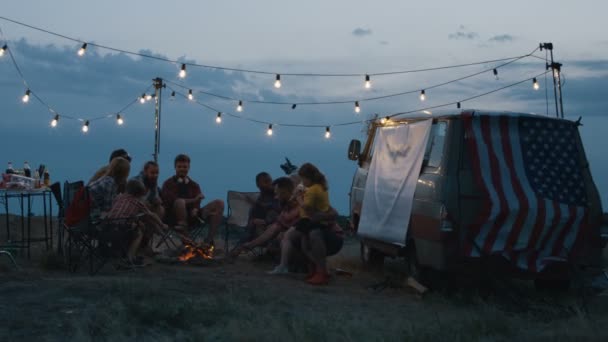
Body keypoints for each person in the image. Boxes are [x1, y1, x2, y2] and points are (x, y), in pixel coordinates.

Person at [269, 163, 338, 285]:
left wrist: (298, 198)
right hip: (311, 221)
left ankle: (320, 271)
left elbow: (308, 210)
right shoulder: (317, 188)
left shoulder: (313, 190)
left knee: (291, 237)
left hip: (310, 222)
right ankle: (318, 270)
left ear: (308, 178)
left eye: (302, 179)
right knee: (304, 244)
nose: (301, 182)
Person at [161, 154, 224, 245]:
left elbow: (198, 201)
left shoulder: (194, 185)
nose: (182, 169)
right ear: (175, 167)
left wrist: (195, 208)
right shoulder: (168, 184)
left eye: (185, 167)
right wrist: (194, 200)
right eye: (180, 167)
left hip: (193, 217)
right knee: (180, 202)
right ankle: (187, 241)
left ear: (189, 167)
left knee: (219, 203)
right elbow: (171, 201)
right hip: (174, 219)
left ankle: (208, 241)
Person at [230, 177, 299, 257]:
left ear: (283, 191)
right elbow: (280, 217)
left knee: (275, 227)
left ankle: (247, 245)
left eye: (277, 193)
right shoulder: (268, 196)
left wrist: (267, 221)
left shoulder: (296, 199)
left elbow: (288, 216)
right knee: (270, 226)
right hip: (277, 224)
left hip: (293, 227)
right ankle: (246, 245)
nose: (276, 196)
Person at [106, 179, 169, 265]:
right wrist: (162, 224)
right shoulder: (137, 202)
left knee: (135, 224)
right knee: (139, 232)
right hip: (121, 230)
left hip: (107, 228)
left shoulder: (118, 197)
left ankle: (118, 252)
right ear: (139, 195)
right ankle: (131, 257)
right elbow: (151, 215)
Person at [241, 172, 280, 243]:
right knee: (252, 215)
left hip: (274, 225)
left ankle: (244, 244)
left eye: (270, 181)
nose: (270, 184)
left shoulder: (277, 193)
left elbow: (276, 208)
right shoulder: (261, 198)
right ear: (258, 185)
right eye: (266, 182)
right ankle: (244, 244)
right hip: (260, 228)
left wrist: (265, 222)